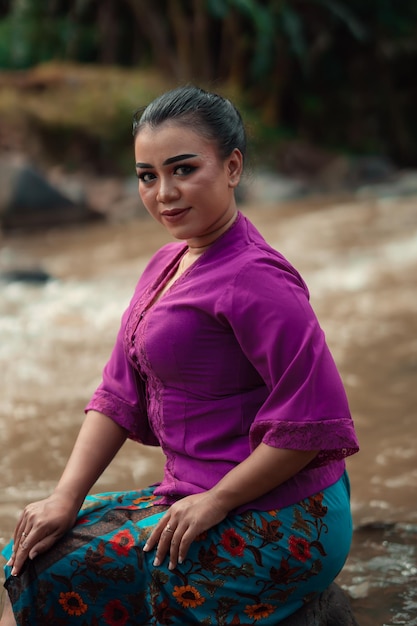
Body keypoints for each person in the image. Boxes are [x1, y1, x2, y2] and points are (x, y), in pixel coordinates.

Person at [1, 86, 359, 625]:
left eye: (183, 170)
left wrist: (216, 501)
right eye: (148, 175)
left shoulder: (257, 279)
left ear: (233, 167)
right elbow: (118, 393)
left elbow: (313, 423)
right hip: (190, 494)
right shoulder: (167, 263)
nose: (164, 192)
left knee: (38, 575)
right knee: (22, 551)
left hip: (279, 513)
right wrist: (63, 497)